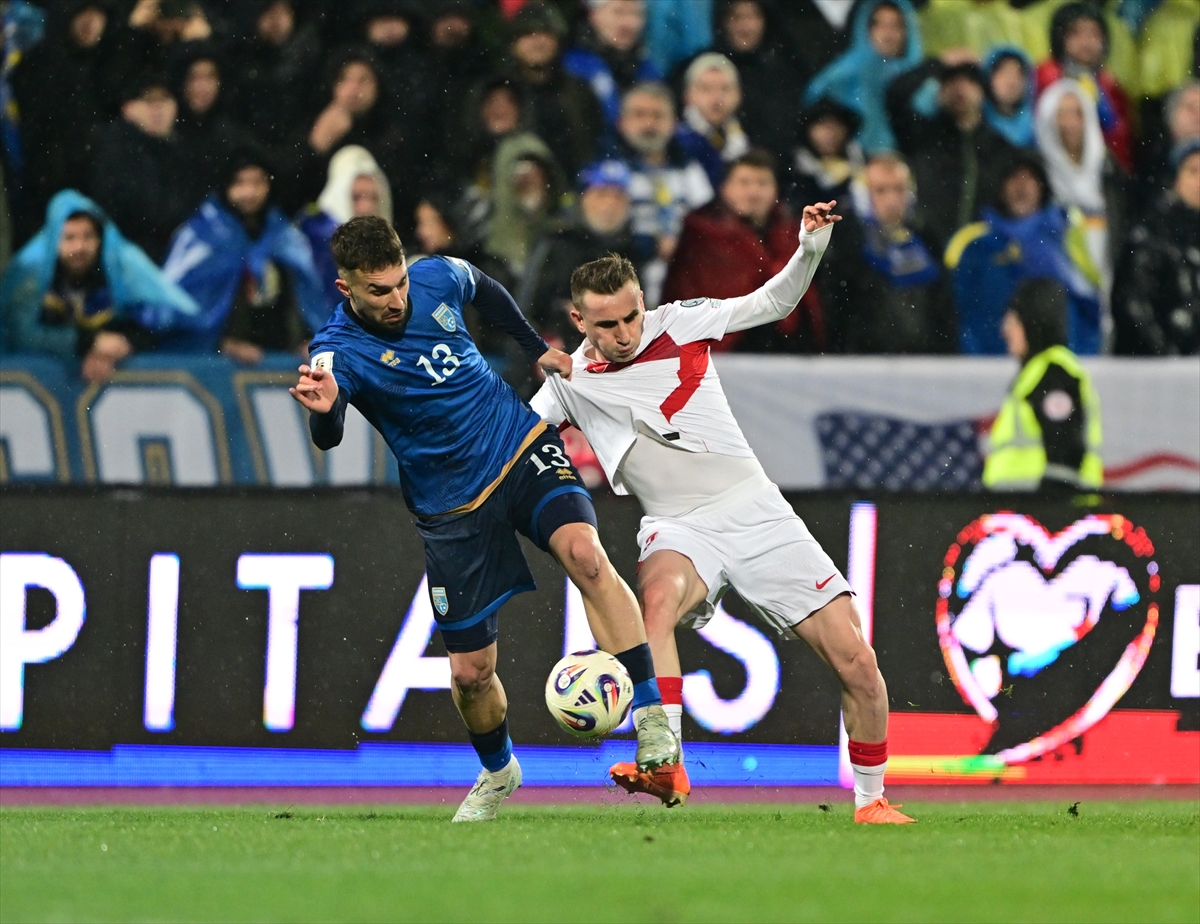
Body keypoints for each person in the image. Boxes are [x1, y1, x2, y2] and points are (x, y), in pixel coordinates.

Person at [528, 204, 913, 824]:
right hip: (678, 526)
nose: (626, 332)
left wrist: (810, 247)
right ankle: (665, 763)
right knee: (653, 604)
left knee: (859, 664)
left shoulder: (680, 324)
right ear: (579, 320)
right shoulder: (565, 382)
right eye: (608, 324)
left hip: (757, 512)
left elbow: (775, 301)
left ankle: (871, 801)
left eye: (632, 314)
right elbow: (514, 442)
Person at [290, 216, 679, 822]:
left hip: (517, 444)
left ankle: (653, 719)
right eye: (378, 292)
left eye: (398, 284)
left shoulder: (435, 277)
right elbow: (330, 429)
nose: (396, 300)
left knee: (584, 553)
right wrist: (322, 412)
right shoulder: (336, 351)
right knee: (472, 673)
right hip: (450, 506)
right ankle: (499, 771)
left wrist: (533, 349)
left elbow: (487, 291)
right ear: (347, 290)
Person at [1, 189, 197, 379]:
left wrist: (125, 343)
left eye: (87, 237)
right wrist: (87, 342)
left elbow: (165, 319)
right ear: (53, 241)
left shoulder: (120, 268)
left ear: (99, 240)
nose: (79, 247)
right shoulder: (32, 272)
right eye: (69, 238)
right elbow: (21, 334)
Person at [160, 150, 326, 360]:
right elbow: (178, 308)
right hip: (214, 364)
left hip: (279, 360)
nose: (249, 192)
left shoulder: (283, 235)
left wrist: (305, 339)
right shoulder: (203, 235)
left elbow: (306, 296)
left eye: (258, 183)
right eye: (240, 183)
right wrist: (221, 344)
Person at [663, 150, 824, 353]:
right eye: (744, 183)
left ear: (775, 190)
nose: (753, 192)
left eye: (762, 183)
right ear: (724, 188)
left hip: (786, 349)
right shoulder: (701, 234)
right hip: (725, 350)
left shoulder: (794, 234)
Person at [946, 151, 1102, 356]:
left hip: (1059, 369)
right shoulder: (975, 244)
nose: (1022, 186)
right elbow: (959, 311)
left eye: (1030, 178)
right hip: (989, 370)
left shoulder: (1070, 237)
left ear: (1042, 187)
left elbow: (1089, 304)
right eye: (1014, 178)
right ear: (1000, 188)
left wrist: (1083, 357)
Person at [820, 153, 951, 353]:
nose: (891, 200)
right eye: (880, 191)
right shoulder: (844, 245)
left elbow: (943, 311)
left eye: (898, 190)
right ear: (862, 195)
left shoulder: (929, 242)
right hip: (864, 362)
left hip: (923, 362)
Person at [886, 55, 1015, 256]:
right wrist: (935, 63)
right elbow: (894, 96)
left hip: (981, 258)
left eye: (968, 81)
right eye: (949, 82)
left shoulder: (1000, 148)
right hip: (925, 254)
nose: (959, 88)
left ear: (982, 91)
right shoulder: (922, 135)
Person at [983, 278, 1102, 493]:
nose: (1004, 330)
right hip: (1027, 515)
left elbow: (1065, 453)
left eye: (1013, 321)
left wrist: (1050, 511)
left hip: (1042, 517)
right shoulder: (1039, 372)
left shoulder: (1053, 374)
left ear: (1033, 322)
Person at [519, 159, 646, 350]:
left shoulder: (633, 251)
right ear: (582, 199)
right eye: (601, 195)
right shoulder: (557, 244)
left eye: (618, 197)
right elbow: (527, 310)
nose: (609, 205)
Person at [612, 82, 713, 307]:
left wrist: (685, 247)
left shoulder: (691, 170)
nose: (649, 124)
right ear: (621, 122)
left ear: (673, 124)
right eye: (639, 115)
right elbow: (602, 238)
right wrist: (650, 246)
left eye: (658, 116)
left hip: (689, 281)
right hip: (628, 288)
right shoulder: (609, 174)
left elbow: (711, 224)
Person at [87, 73, 203, 262]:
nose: (158, 109)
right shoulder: (115, 152)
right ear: (128, 108)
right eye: (148, 100)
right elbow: (146, 213)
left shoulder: (183, 151)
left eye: (165, 99)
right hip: (130, 256)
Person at [1113, 139, 1200, 356]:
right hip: (1155, 372)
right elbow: (1133, 305)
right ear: (1174, 180)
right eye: (1193, 171)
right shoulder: (1150, 233)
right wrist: (1168, 358)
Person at [803, 0, 924, 155]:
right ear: (865, 28)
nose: (887, 33)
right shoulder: (838, 78)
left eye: (896, 25)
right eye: (878, 24)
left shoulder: (923, 78)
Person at [503, 1, 603, 179]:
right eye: (528, 34)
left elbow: (593, 145)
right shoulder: (502, 92)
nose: (537, 42)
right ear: (514, 44)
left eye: (545, 33)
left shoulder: (580, 91)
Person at [1034, 1, 1133, 173]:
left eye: (1094, 34)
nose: (1086, 42)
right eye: (1076, 34)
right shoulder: (1044, 76)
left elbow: (1122, 142)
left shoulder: (1109, 86)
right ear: (1060, 37)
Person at [299, 145, 393, 307]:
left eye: (373, 198)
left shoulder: (386, 248)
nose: (367, 209)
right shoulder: (317, 238)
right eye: (356, 198)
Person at [564, 0, 662, 134]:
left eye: (636, 13)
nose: (629, 23)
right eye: (618, 12)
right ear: (594, 16)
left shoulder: (647, 68)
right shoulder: (572, 67)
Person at [675, 53, 751, 189]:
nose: (717, 98)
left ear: (739, 95)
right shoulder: (677, 142)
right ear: (687, 95)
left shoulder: (749, 138)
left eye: (725, 89)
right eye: (706, 89)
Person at [787, 97, 865, 219]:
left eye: (835, 126)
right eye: (822, 126)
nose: (829, 134)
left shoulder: (864, 165)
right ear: (808, 130)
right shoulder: (793, 171)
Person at [982, 45, 1036, 149]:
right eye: (1003, 73)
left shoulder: (1038, 127)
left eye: (1018, 73)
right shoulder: (975, 124)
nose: (1011, 81)